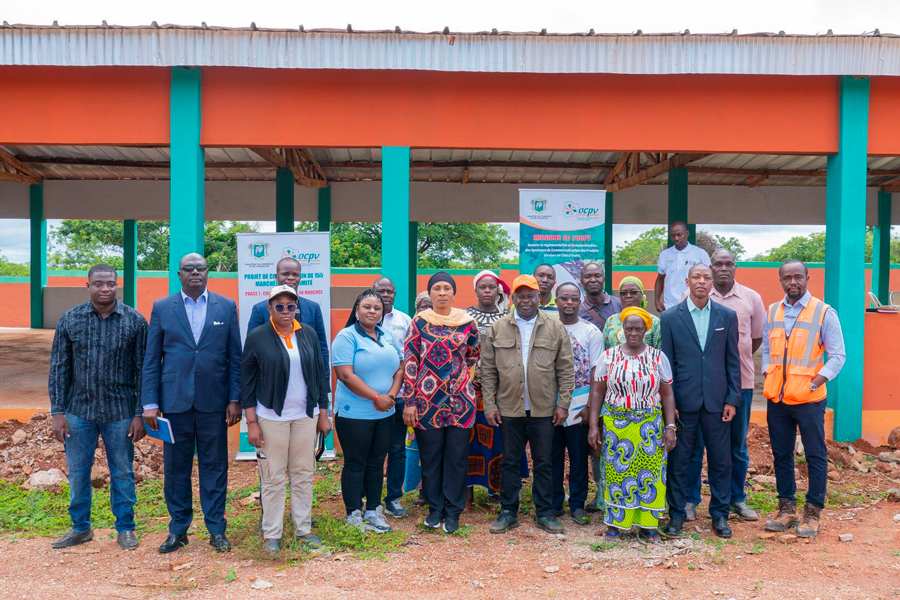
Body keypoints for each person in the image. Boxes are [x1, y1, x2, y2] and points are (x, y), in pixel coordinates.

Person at [142, 253, 242, 553]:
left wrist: (235, 398)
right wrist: (149, 402)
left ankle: (216, 529)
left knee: (215, 467)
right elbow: (151, 359)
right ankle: (178, 530)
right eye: (189, 268)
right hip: (174, 403)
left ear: (208, 273)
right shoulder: (162, 307)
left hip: (214, 403)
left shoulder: (226, 305)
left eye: (200, 268)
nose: (195, 272)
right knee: (176, 469)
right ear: (179, 274)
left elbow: (235, 357)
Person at [48, 264, 148, 551]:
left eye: (111, 284)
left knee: (122, 471)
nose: (105, 289)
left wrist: (139, 412)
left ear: (118, 286)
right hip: (78, 412)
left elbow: (144, 369)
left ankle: (126, 528)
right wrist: (57, 412)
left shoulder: (135, 321)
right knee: (79, 471)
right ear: (88, 285)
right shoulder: (71, 319)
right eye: (99, 283)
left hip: (121, 412)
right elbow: (59, 367)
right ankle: (80, 528)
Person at [480, 275, 574, 535]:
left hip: (544, 409)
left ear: (539, 297)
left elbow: (566, 368)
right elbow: (487, 370)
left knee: (544, 461)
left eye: (530, 295)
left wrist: (563, 403)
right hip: (509, 408)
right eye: (520, 295)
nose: (525, 300)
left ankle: (544, 512)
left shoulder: (554, 327)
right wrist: (490, 404)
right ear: (513, 298)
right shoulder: (499, 328)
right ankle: (508, 511)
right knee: (510, 461)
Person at [241, 285, 332, 554]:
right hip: (271, 417)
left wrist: (323, 411)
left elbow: (319, 373)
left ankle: (303, 530)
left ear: (296, 309)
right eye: (279, 306)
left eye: (290, 306)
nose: (285, 311)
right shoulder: (258, 337)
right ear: (269, 309)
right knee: (272, 476)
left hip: (305, 416)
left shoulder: (309, 334)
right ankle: (272, 534)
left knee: (304, 474)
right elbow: (246, 382)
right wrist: (252, 423)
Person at [762, 260, 845, 538]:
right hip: (778, 399)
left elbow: (838, 356)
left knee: (815, 455)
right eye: (787, 278)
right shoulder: (772, 310)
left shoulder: (824, 312)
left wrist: (815, 382)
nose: (793, 282)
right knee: (781, 454)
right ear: (780, 280)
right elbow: (766, 350)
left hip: (809, 399)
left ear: (808, 278)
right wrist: (766, 372)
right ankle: (786, 509)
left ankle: (813, 513)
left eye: (798, 277)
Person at [682, 249, 766, 522]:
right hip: (700, 388)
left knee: (736, 447)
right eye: (717, 264)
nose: (722, 269)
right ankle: (690, 499)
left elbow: (753, 341)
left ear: (735, 267)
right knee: (695, 446)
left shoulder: (751, 299)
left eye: (728, 264)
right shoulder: (692, 296)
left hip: (739, 384)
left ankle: (736, 499)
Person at [660, 264, 741, 539]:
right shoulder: (671, 317)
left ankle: (719, 515)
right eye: (697, 277)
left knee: (721, 461)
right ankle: (676, 516)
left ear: (711, 284)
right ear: (687, 281)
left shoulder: (727, 316)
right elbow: (666, 364)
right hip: (684, 402)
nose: (702, 282)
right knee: (679, 461)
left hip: (718, 403)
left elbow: (733, 359)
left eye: (707, 277)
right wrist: (670, 405)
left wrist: (733, 398)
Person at [587, 307, 677, 541]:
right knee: (618, 475)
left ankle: (647, 526)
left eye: (639, 328)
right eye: (629, 328)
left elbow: (667, 394)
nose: (634, 333)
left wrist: (670, 427)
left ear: (647, 330)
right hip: (617, 426)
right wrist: (594, 425)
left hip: (650, 425)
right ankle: (616, 525)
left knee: (649, 474)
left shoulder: (658, 357)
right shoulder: (608, 356)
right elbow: (597, 391)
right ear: (622, 330)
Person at [402, 272, 480, 534]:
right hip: (426, 403)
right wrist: (410, 401)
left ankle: (454, 511)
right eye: (437, 288)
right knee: (431, 457)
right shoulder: (419, 323)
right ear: (430, 294)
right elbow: (411, 362)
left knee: (457, 458)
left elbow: (473, 356)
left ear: (454, 293)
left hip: (461, 403)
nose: (442, 292)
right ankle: (435, 509)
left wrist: (461, 382)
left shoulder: (468, 323)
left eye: (447, 288)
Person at [332, 289, 404, 534]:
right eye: (367, 307)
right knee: (355, 463)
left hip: (384, 413)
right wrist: (376, 397)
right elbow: (345, 375)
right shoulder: (346, 336)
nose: (372, 311)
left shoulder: (388, 336)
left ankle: (373, 510)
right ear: (357, 310)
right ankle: (353, 512)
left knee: (376, 462)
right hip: (355, 414)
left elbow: (400, 368)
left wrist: (390, 397)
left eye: (377, 308)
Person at [552, 283, 603, 525]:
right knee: (551, 456)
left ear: (580, 301)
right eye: (564, 298)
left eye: (574, 298)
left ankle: (577, 504)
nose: (569, 302)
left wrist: (591, 408)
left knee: (579, 457)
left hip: (580, 407)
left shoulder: (591, 332)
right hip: (550, 406)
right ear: (556, 300)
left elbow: (596, 374)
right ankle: (553, 503)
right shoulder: (547, 327)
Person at [465, 270, 512, 504]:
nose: (487, 291)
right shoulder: (463, 316)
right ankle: (467, 490)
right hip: (468, 391)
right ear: (475, 290)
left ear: (498, 291)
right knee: (467, 439)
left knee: (497, 440)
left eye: (491, 287)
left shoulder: (507, 318)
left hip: (498, 392)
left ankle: (496, 490)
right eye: (482, 287)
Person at [247, 256, 329, 385]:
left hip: (307, 379)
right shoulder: (260, 309)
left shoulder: (313, 308)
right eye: (285, 274)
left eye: (295, 274)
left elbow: (321, 347)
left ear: (300, 278)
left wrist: (324, 381)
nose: (290, 278)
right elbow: (251, 351)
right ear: (276, 276)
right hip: (271, 380)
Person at [373, 277, 413, 519]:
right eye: (381, 291)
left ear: (395, 294)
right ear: (372, 292)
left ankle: (394, 498)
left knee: (398, 449)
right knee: (374, 451)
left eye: (389, 291)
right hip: (371, 397)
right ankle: (373, 500)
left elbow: (410, 358)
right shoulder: (363, 319)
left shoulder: (404, 320)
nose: (385, 295)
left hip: (399, 397)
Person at [654, 221, 711, 313]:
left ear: (687, 234)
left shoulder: (700, 254)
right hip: (670, 306)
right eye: (673, 235)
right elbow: (660, 279)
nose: (676, 238)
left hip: (694, 306)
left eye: (679, 235)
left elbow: (709, 279)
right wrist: (656, 300)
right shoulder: (665, 255)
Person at [602, 276, 661, 350]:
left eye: (633, 292)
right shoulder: (611, 320)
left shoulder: (654, 322)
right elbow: (606, 350)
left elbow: (659, 352)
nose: (628, 296)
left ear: (642, 294)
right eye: (623, 293)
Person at [578, 261, 622, 329]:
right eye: (587, 277)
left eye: (597, 276)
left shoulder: (619, 304)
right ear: (581, 281)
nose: (593, 280)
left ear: (604, 279)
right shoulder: (579, 311)